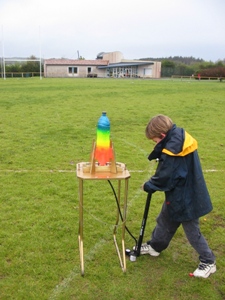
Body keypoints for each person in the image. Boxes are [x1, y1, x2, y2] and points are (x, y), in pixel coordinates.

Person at [140, 114, 216, 278]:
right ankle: (155, 246)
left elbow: (167, 175)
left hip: (187, 197)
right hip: (178, 194)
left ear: (162, 136)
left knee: (192, 232)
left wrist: (150, 185)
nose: (156, 144)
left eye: (155, 141)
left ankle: (209, 261)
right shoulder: (176, 138)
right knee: (165, 220)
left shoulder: (174, 149)